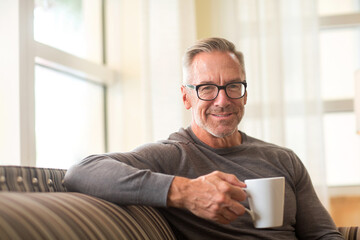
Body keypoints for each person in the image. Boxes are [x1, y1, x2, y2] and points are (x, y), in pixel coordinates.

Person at [64, 37, 343, 239]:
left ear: (245, 93)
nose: (222, 100)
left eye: (233, 86)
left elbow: (322, 234)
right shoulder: (172, 155)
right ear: (186, 97)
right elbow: (82, 171)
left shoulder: (283, 159)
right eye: (207, 88)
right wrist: (186, 192)